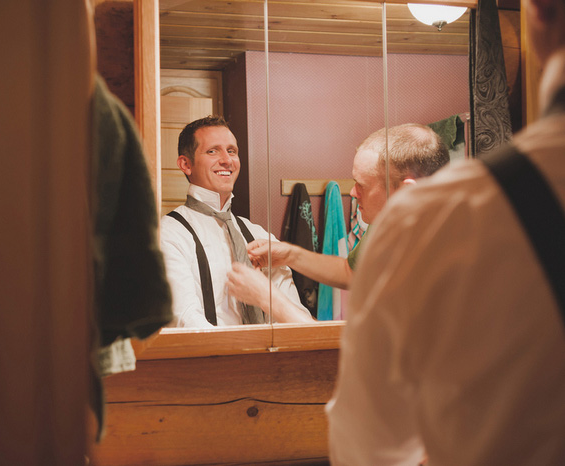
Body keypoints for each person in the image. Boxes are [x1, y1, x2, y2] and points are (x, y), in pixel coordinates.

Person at [325, 0, 565, 463]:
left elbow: (366, 451)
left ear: (537, 12)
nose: (351, 194)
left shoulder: (430, 225)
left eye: (360, 185)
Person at [247, 123, 449, 290]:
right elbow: (351, 273)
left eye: (362, 185)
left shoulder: (451, 255)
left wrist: (265, 296)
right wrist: (289, 254)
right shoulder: (389, 218)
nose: (352, 193)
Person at [160, 116, 314, 327]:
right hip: (211, 358)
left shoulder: (260, 236)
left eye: (231, 151)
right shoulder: (168, 234)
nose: (227, 160)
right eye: (213, 151)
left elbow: (294, 316)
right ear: (186, 164)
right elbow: (184, 317)